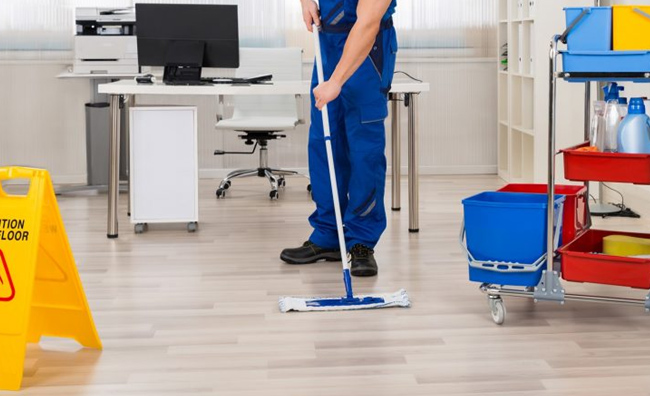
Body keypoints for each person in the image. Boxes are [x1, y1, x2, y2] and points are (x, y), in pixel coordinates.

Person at [281, 0, 398, 277]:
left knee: (363, 149)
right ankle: (328, 234)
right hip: (329, 42)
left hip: (368, 49)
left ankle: (361, 242)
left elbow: (367, 23)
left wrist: (336, 81)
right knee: (324, 141)